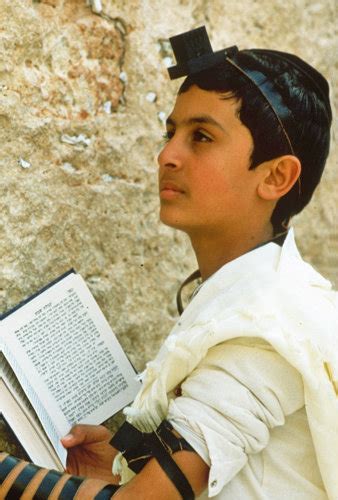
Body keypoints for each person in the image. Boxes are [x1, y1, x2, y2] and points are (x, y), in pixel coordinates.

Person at [1, 26, 337, 499]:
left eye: (201, 136)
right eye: (170, 131)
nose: (166, 155)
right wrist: (123, 471)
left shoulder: (269, 327)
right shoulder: (248, 300)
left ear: (276, 175)